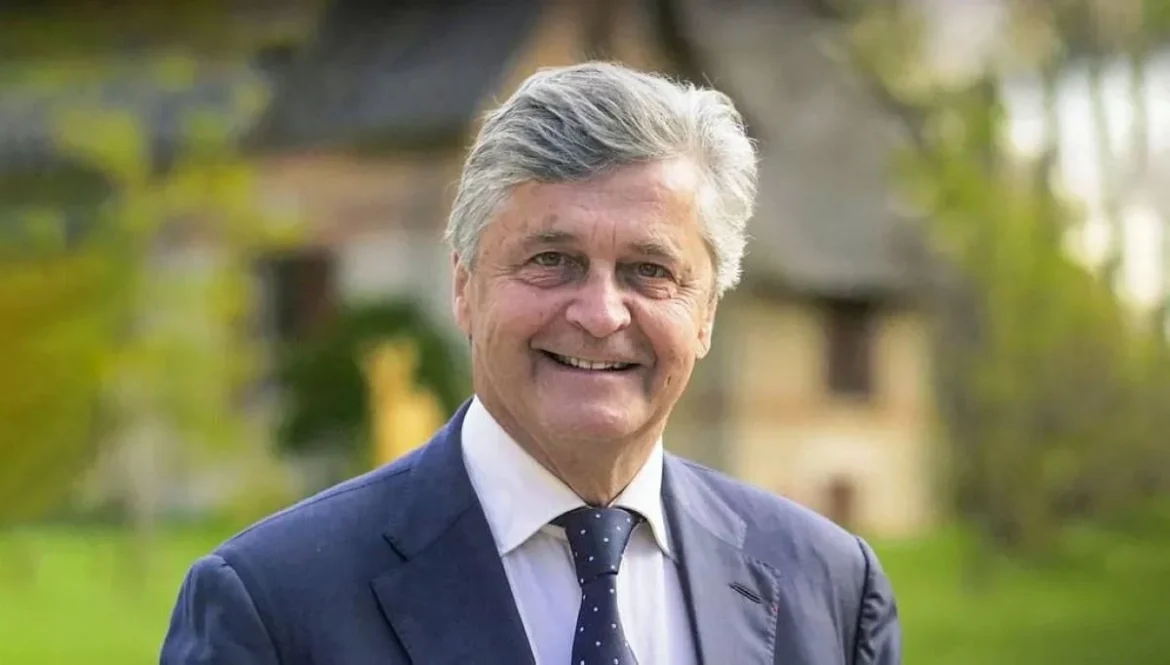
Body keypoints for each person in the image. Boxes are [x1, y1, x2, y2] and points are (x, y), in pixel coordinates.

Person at [160, 61, 901, 665]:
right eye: (552, 260)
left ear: (706, 311)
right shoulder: (274, 604)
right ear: (464, 287)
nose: (601, 314)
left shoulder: (831, 591)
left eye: (649, 270)